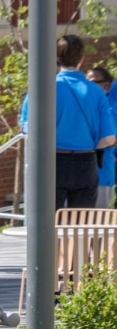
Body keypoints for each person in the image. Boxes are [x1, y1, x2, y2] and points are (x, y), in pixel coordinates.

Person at [47, 36, 116, 209]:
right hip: (86, 161)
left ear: (56, 57)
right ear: (82, 58)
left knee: (49, 224)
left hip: (52, 161)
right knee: (82, 224)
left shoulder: (44, 88)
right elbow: (109, 138)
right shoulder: (96, 91)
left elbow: (28, 133)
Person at [88, 66, 117, 207]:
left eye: (93, 82)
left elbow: (112, 139)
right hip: (84, 175)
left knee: (97, 223)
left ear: (106, 84)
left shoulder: (108, 106)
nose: (88, 85)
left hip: (102, 173)